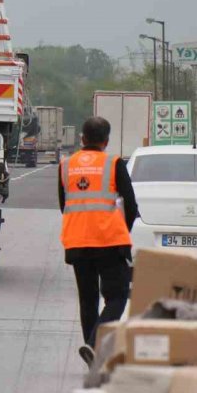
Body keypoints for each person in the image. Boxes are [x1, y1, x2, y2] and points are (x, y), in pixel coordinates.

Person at [58, 116, 138, 368]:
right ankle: (93, 345)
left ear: (82, 138)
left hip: (77, 240)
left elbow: (64, 205)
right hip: (109, 240)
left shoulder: (66, 165)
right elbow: (131, 205)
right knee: (118, 295)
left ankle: (91, 352)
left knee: (88, 298)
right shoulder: (113, 163)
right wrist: (122, 231)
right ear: (106, 141)